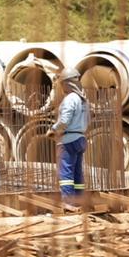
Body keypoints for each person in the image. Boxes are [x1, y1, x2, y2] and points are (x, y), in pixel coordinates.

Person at [51, 66, 90, 204]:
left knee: (66, 171)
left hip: (69, 140)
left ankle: (68, 202)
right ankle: (79, 200)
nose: (61, 87)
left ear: (67, 83)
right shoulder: (83, 99)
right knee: (77, 172)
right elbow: (88, 120)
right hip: (80, 138)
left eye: (62, 84)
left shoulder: (70, 99)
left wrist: (53, 129)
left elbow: (64, 121)